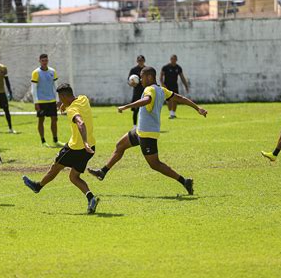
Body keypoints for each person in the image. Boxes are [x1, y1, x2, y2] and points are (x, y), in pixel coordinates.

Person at [88, 67, 207, 195]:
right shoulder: (162, 90)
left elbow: (147, 100)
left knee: (155, 164)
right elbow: (179, 98)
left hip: (147, 134)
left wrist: (127, 106)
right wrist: (197, 108)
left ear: (149, 77)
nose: (140, 79)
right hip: (140, 130)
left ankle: (184, 181)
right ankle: (103, 172)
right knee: (120, 145)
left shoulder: (149, 89)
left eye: (142, 76)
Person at [22, 83, 100, 214]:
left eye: (60, 97)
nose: (60, 100)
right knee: (74, 177)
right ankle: (91, 198)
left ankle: (38, 186)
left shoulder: (72, 110)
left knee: (56, 167)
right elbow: (73, 102)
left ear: (64, 96)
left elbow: (80, 123)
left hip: (76, 148)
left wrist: (84, 142)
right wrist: (64, 104)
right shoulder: (83, 98)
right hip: (91, 147)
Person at [31, 54, 64, 147]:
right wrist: (36, 102)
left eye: (46, 60)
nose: (44, 62)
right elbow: (33, 89)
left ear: (48, 61)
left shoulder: (52, 71)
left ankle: (55, 140)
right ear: (39, 61)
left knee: (54, 119)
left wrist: (58, 100)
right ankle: (43, 141)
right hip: (41, 102)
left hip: (52, 101)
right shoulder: (36, 72)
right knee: (41, 120)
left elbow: (55, 86)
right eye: (43, 61)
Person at [160, 55, 189, 119]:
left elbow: (182, 77)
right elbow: (161, 77)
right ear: (170, 59)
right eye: (172, 59)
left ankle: (173, 113)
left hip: (175, 86)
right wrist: (162, 84)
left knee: (175, 100)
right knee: (169, 100)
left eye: (175, 59)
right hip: (167, 86)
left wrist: (186, 85)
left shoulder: (178, 68)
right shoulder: (165, 67)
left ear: (176, 60)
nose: (173, 60)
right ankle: (171, 113)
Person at [128, 55, 146, 126]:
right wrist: (132, 84)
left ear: (144, 61)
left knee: (145, 110)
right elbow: (128, 81)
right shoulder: (133, 70)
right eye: (139, 61)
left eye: (142, 60)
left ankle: (144, 125)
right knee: (135, 109)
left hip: (145, 92)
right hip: (137, 92)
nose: (140, 62)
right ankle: (135, 126)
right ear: (137, 61)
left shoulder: (146, 70)